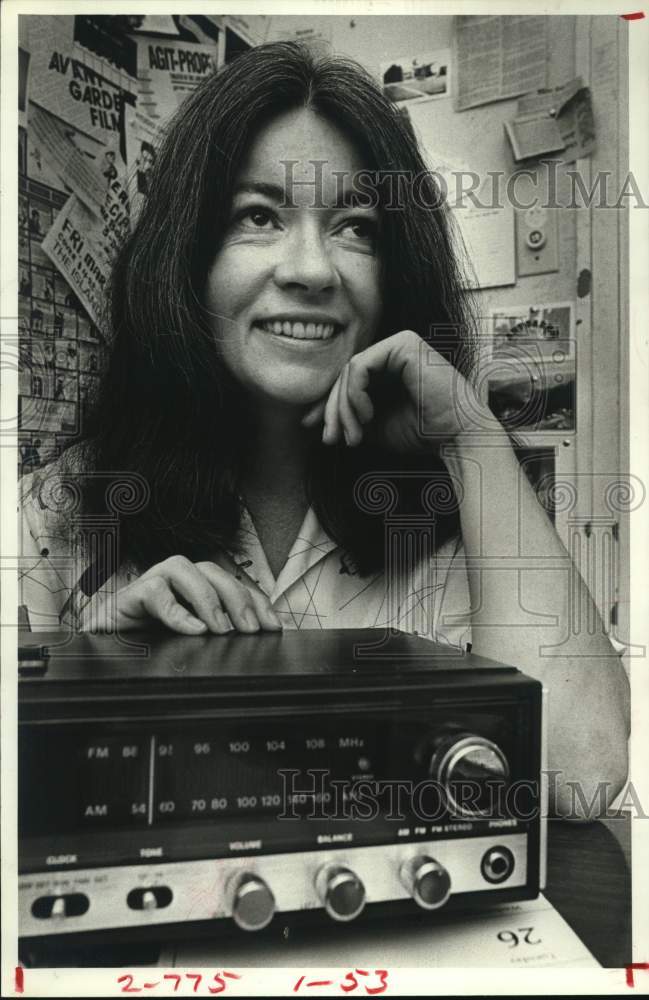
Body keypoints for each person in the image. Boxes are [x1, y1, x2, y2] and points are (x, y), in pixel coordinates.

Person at [19, 42, 628, 817]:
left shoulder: (453, 516)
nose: (310, 268)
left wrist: (471, 436)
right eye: (259, 216)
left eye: (355, 228)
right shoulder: (60, 512)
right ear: (189, 257)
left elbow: (575, 777)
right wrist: (90, 671)